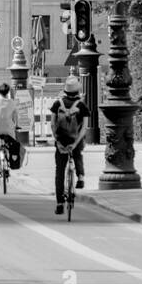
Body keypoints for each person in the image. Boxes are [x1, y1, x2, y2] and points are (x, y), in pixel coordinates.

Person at [51, 76, 90, 215]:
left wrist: (57, 141)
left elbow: (52, 124)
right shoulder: (81, 106)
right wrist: (75, 143)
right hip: (75, 141)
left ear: (65, 91)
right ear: (77, 90)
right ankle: (80, 177)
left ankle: (60, 203)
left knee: (59, 172)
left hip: (61, 141)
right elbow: (84, 128)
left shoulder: (57, 104)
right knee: (78, 154)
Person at [0, 83, 20, 186]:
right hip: (8, 129)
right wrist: (16, 125)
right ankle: (8, 164)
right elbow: (15, 117)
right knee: (12, 145)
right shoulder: (12, 102)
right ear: (8, 92)